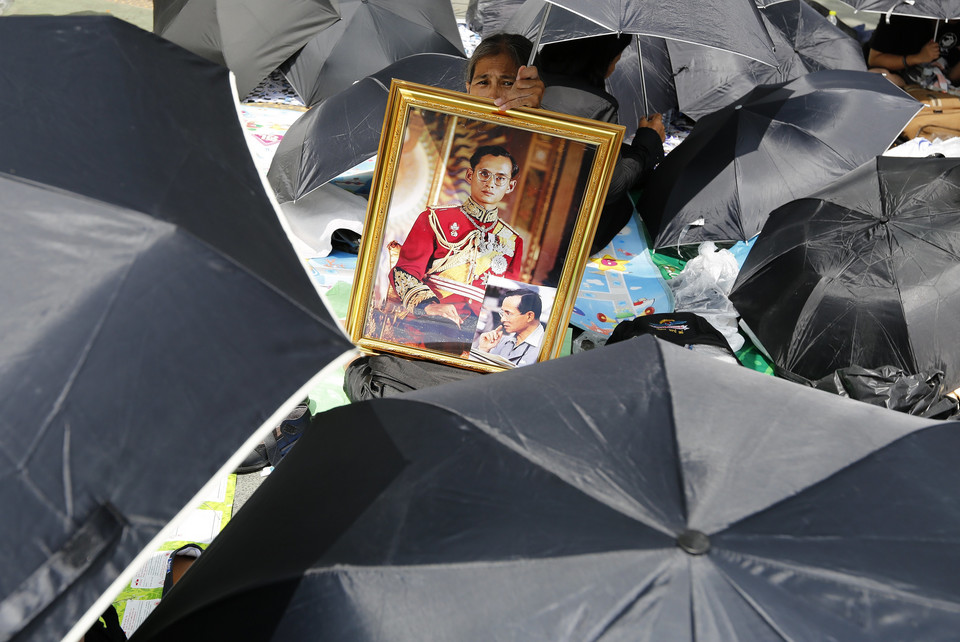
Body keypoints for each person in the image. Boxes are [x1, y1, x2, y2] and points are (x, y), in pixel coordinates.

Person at [388, 145, 525, 354]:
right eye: (484, 174)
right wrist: (430, 306)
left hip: (477, 336)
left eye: (500, 178)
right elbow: (404, 273)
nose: (490, 183)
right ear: (470, 175)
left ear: (510, 186)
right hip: (426, 323)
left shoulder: (512, 241)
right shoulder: (435, 220)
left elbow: (507, 300)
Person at [538, 34, 666, 253]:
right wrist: (648, 141)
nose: (614, 67)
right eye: (616, 59)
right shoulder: (598, 106)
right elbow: (610, 186)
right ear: (601, 59)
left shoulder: (527, 77)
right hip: (563, 235)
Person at [867, 15, 960, 89]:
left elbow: (952, 78)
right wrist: (917, 58)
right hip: (902, 79)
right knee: (875, 77)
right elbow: (875, 59)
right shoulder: (901, 13)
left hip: (940, 85)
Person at [465, 32, 545, 111]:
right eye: (483, 83)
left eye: (507, 83)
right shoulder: (454, 121)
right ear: (468, 89)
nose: (493, 96)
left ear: (530, 88)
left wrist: (532, 113)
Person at [475, 289, 544, 367]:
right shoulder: (498, 342)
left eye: (508, 313)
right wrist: (483, 349)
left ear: (529, 316)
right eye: (502, 313)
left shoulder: (546, 349)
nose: (502, 319)